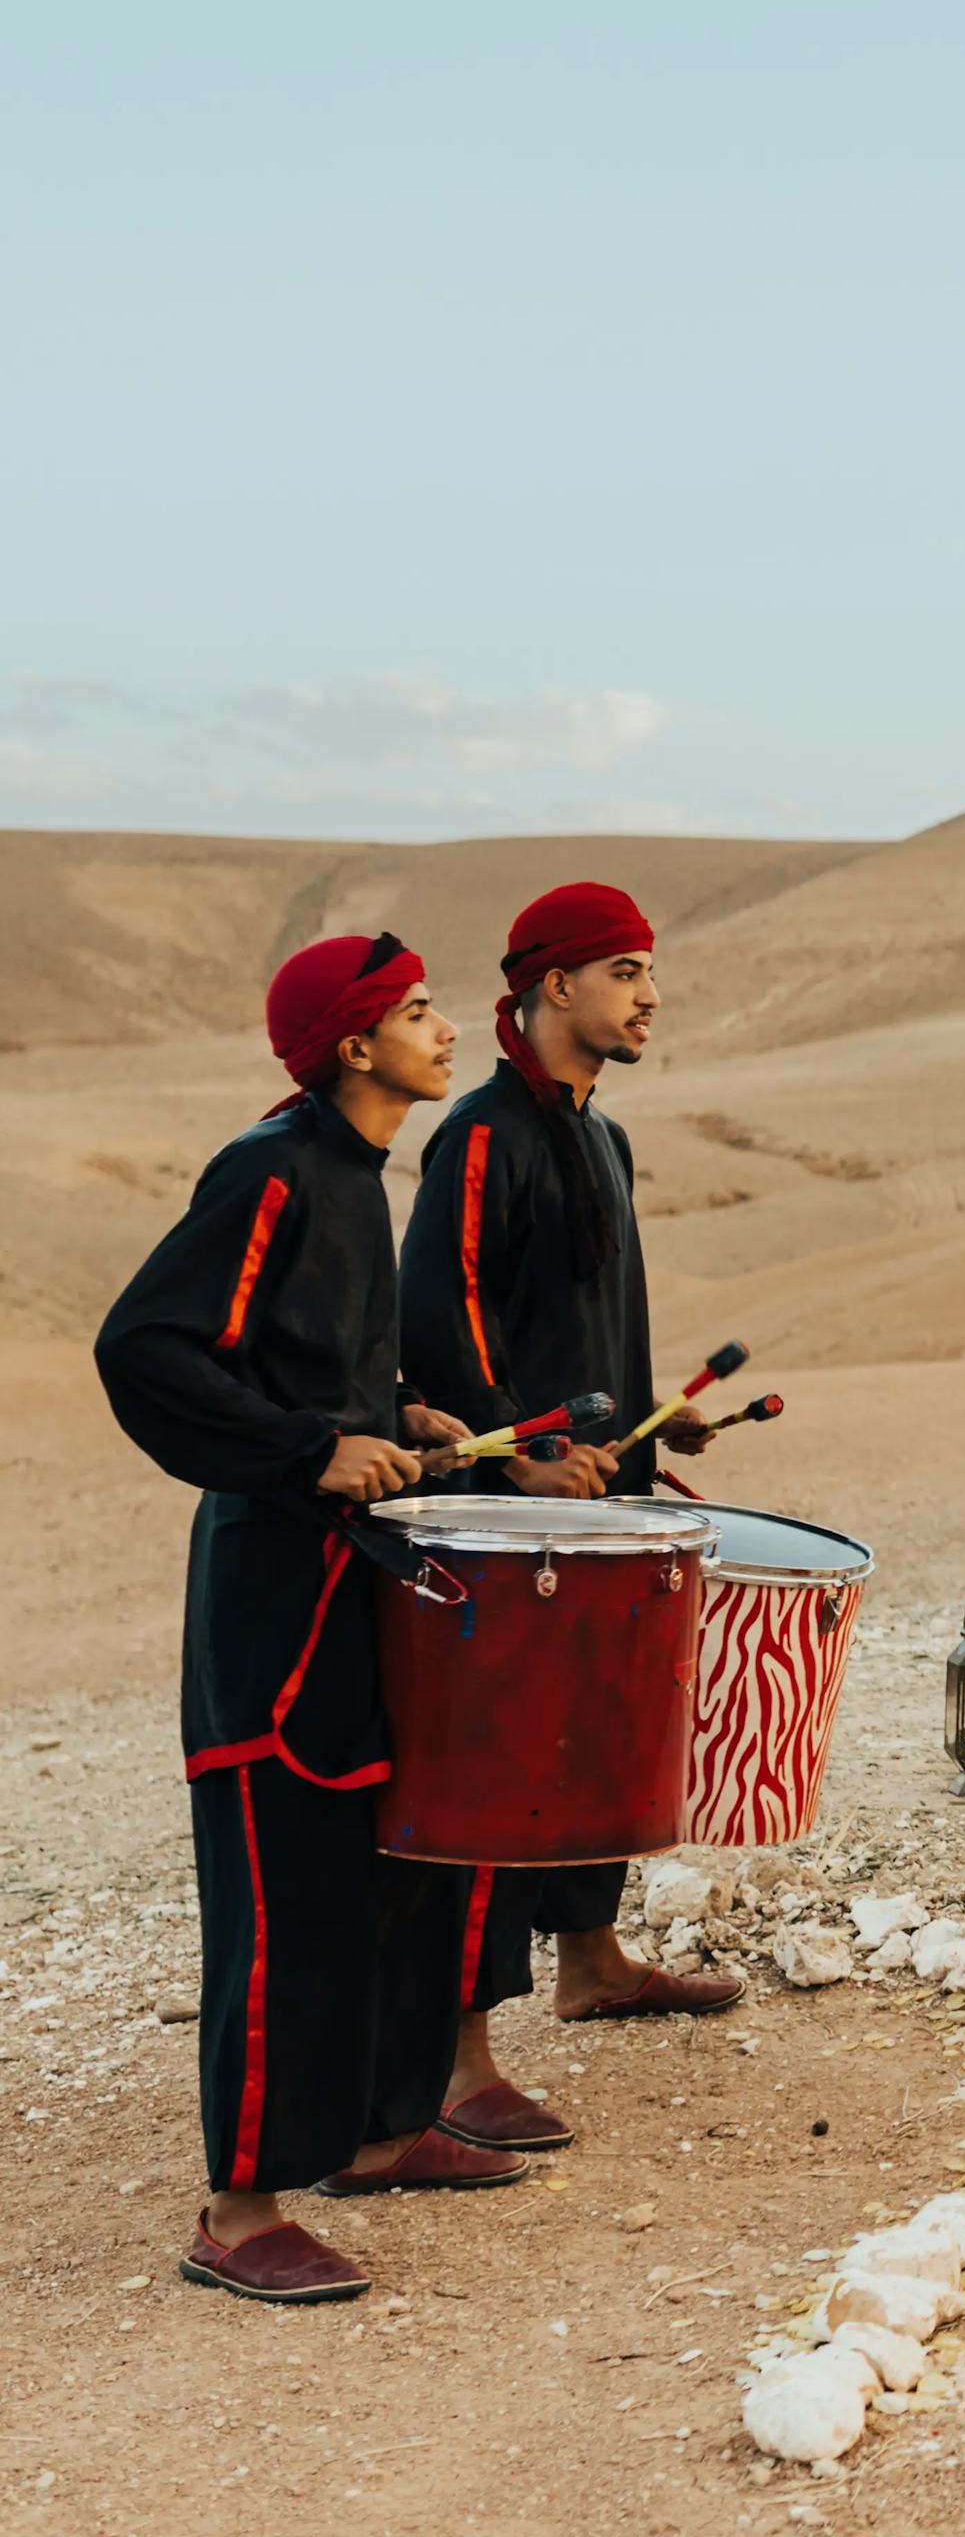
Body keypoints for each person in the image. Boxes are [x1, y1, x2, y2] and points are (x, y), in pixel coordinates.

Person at [95, 935, 525, 2306]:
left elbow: (299, 1357)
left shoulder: (354, 1176)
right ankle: (239, 2209)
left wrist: (385, 1415)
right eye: (414, 1010)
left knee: (378, 1876)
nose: (447, 1028)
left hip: (353, 1589)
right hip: (273, 1607)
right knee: (283, 1899)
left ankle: (385, 2132)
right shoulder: (272, 1168)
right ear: (352, 1046)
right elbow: (151, 1349)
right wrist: (304, 1449)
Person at [397, 882, 736, 2159]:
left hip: (598, 1493)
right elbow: (446, 1323)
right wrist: (521, 1457)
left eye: (650, 972)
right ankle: (463, 2056)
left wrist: (652, 1420)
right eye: (627, 972)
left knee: (602, 1730)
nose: (651, 996)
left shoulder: (605, 1136)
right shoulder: (479, 1136)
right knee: (491, 1779)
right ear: (552, 988)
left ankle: (591, 1957)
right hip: (505, 1514)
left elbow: (589, 1321)